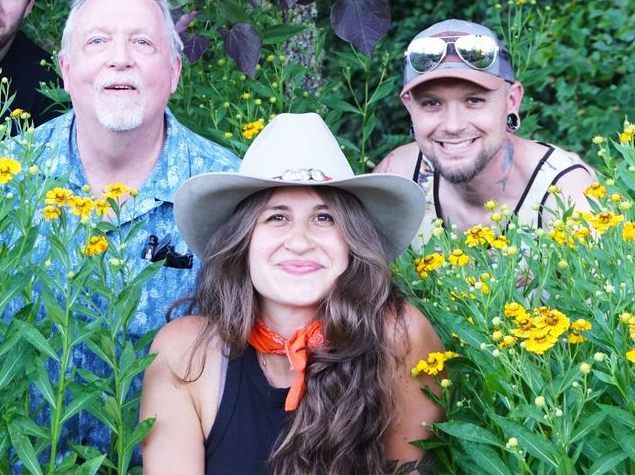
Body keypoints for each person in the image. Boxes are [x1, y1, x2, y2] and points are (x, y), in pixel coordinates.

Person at [141, 112, 443, 475]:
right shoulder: (185, 353)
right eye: (276, 217)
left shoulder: (398, 336)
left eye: (324, 218)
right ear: (243, 241)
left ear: (352, 240)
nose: (299, 242)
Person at [21, 0, 240, 451]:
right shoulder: (5, 177)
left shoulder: (227, 193)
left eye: (143, 42)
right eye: (97, 42)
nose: (120, 59)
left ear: (174, 72)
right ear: (67, 69)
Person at [375, 19, 595, 240]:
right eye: (431, 103)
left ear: (512, 101)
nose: (453, 125)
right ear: (409, 107)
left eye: (474, 100)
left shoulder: (565, 195)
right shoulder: (397, 181)